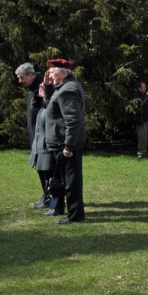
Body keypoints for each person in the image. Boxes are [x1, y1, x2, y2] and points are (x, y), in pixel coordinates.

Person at [43, 58, 86, 224]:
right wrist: (47, 86)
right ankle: (63, 210)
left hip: (64, 145)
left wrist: (68, 145)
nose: (50, 76)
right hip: (59, 143)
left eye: (52, 73)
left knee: (71, 181)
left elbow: (73, 120)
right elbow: (51, 107)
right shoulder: (63, 87)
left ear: (62, 72)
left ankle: (75, 216)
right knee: (64, 180)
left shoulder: (68, 90)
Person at [15, 62, 47, 209]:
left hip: (42, 135)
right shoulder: (32, 87)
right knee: (40, 168)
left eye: (22, 78)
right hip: (35, 134)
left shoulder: (42, 86)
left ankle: (49, 197)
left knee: (45, 168)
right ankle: (46, 195)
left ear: (30, 75)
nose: (20, 81)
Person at [28, 82, 62, 216]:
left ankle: (55, 206)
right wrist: (38, 95)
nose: (41, 91)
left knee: (52, 179)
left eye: (44, 89)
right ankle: (51, 203)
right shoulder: (42, 105)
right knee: (46, 178)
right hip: (40, 147)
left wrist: (46, 94)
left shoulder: (51, 104)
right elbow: (33, 107)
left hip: (48, 147)